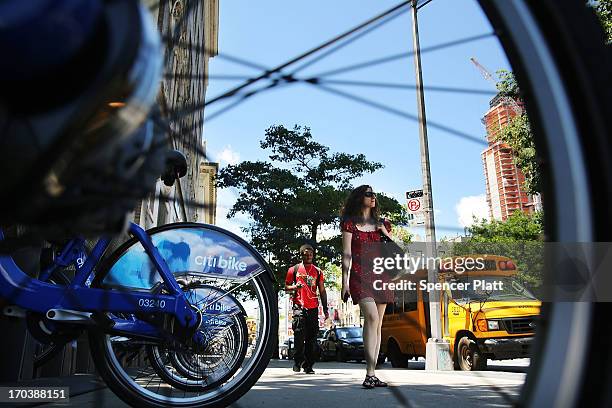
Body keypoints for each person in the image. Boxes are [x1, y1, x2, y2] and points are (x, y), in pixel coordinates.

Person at [340, 185, 393, 388]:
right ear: (359, 197)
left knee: (377, 325)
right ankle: (369, 373)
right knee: (371, 318)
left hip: (382, 276)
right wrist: (344, 282)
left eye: (374, 194)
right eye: (369, 194)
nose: (373, 197)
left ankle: (372, 373)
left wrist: (383, 232)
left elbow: (394, 250)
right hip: (360, 276)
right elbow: (346, 254)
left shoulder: (384, 223)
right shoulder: (349, 224)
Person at [285, 244, 329, 374]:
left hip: (313, 308)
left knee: (311, 339)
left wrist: (325, 309)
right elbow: (286, 287)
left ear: (313, 255)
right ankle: (297, 361)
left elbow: (322, 291)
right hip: (299, 306)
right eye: (306, 254)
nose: (308, 256)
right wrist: (294, 287)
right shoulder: (294, 270)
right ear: (301, 255)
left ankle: (308, 365)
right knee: (299, 335)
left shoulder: (318, 271)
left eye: (311, 254)